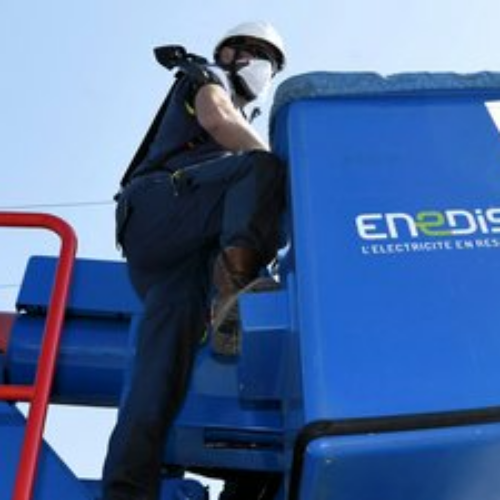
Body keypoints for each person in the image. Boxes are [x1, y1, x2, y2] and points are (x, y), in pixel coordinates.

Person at [102, 21, 287, 500]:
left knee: (160, 375)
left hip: (181, 256)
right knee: (264, 173)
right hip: (160, 206)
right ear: (229, 54)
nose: (261, 67)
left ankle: (126, 490)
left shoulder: (241, 124)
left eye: (269, 61)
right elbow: (216, 119)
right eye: (254, 54)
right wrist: (287, 170)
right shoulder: (207, 76)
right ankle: (236, 291)